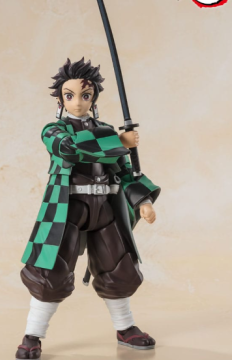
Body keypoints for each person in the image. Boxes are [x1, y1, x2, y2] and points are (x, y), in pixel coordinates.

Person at [16, 58, 161, 359]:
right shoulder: (54, 130)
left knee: (119, 268)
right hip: (67, 209)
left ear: (94, 97)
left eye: (86, 95)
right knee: (50, 272)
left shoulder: (106, 131)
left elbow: (124, 171)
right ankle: (32, 335)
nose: (79, 102)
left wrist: (143, 200)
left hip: (105, 208)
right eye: (69, 95)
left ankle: (125, 327)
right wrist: (118, 141)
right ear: (60, 99)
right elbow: (69, 149)